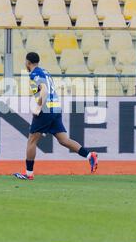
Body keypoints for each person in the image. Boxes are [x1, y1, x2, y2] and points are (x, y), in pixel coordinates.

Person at [13, 52, 98, 180]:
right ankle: (89, 155)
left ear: (28, 62)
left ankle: (29, 174)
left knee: (32, 140)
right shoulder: (45, 72)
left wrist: (39, 107)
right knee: (64, 140)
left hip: (46, 110)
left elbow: (44, 90)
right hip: (56, 108)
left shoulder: (34, 74)